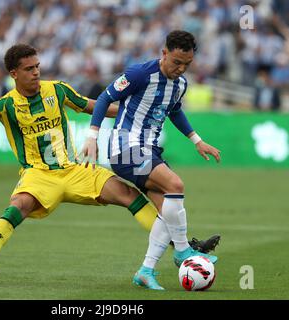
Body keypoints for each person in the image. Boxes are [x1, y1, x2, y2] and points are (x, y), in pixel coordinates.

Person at [0, 44, 171, 285]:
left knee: (129, 194)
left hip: (74, 169)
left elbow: (93, 106)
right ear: (14, 73)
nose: (35, 73)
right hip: (38, 175)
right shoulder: (4, 105)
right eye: (28, 69)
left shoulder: (57, 89)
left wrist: (136, 113)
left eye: (37, 67)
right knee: (16, 208)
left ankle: (178, 246)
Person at [81, 30, 221, 290]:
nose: (180, 68)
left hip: (149, 150)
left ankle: (145, 271)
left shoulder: (180, 85)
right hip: (126, 147)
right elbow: (104, 99)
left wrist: (197, 140)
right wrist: (92, 136)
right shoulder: (139, 74)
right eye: (176, 62)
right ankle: (183, 252)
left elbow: (175, 112)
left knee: (167, 212)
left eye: (187, 64)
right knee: (176, 185)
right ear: (164, 53)